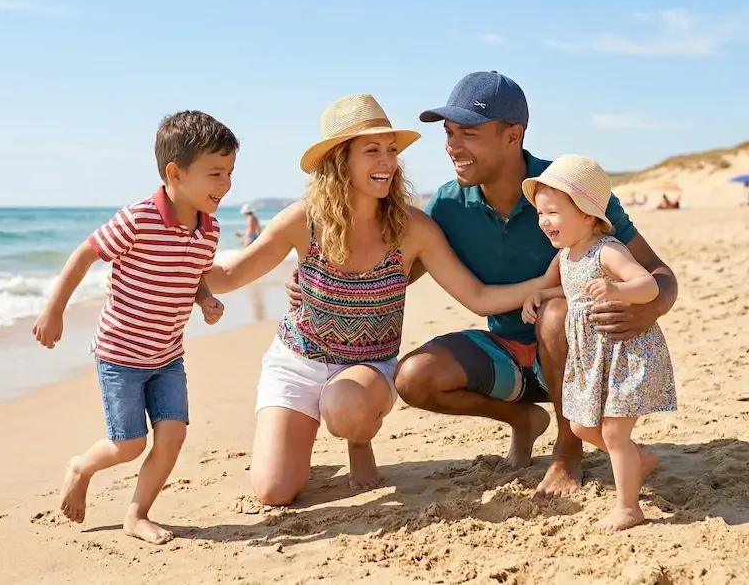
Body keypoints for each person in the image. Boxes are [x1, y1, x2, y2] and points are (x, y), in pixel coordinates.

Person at [286, 72, 678, 498]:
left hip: (588, 358)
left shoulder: (568, 190)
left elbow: (659, 274)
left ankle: (568, 453)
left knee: (555, 312)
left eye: (468, 133)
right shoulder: (448, 205)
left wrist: (647, 308)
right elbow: (394, 275)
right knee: (415, 377)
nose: (453, 146)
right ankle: (523, 419)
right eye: (449, 133)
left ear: (513, 136)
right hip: (509, 357)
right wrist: (321, 281)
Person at [201, 94, 551, 506]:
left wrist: (544, 285)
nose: (387, 162)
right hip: (297, 361)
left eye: (391, 151)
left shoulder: (412, 227)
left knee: (345, 406)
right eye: (372, 151)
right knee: (274, 492)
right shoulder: (303, 219)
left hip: (365, 370)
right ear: (338, 159)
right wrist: (158, 266)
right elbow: (228, 275)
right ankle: (299, 445)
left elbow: (476, 296)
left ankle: (358, 441)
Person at [31, 110, 234, 544]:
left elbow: (193, 274)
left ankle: (137, 514)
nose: (226, 184)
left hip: (167, 356)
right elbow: (84, 255)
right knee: (128, 445)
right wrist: (54, 310)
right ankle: (81, 467)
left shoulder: (209, 228)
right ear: (174, 173)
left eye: (230, 173)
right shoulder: (138, 218)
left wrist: (206, 299)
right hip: (121, 356)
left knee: (173, 436)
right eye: (215, 173)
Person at [521, 154, 676, 530]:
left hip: (626, 354)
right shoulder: (566, 255)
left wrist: (617, 288)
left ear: (588, 215)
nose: (544, 222)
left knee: (611, 431)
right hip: (592, 359)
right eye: (541, 214)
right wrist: (536, 297)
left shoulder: (608, 249)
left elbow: (648, 284)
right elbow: (565, 289)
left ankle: (629, 508)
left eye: (554, 213)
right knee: (581, 427)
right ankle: (639, 460)